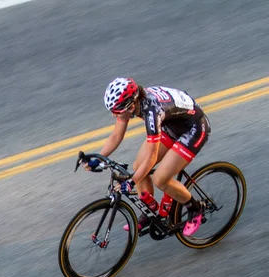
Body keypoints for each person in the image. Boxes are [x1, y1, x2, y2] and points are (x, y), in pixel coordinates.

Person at [85, 77, 211, 236]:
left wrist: (131, 183)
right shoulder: (133, 102)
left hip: (193, 129)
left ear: (130, 107)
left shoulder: (152, 112)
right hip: (171, 125)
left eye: (116, 112)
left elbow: (151, 158)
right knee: (138, 166)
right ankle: (149, 211)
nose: (113, 116)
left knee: (161, 179)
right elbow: (116, 136)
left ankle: (195, 208)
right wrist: (97, 158)